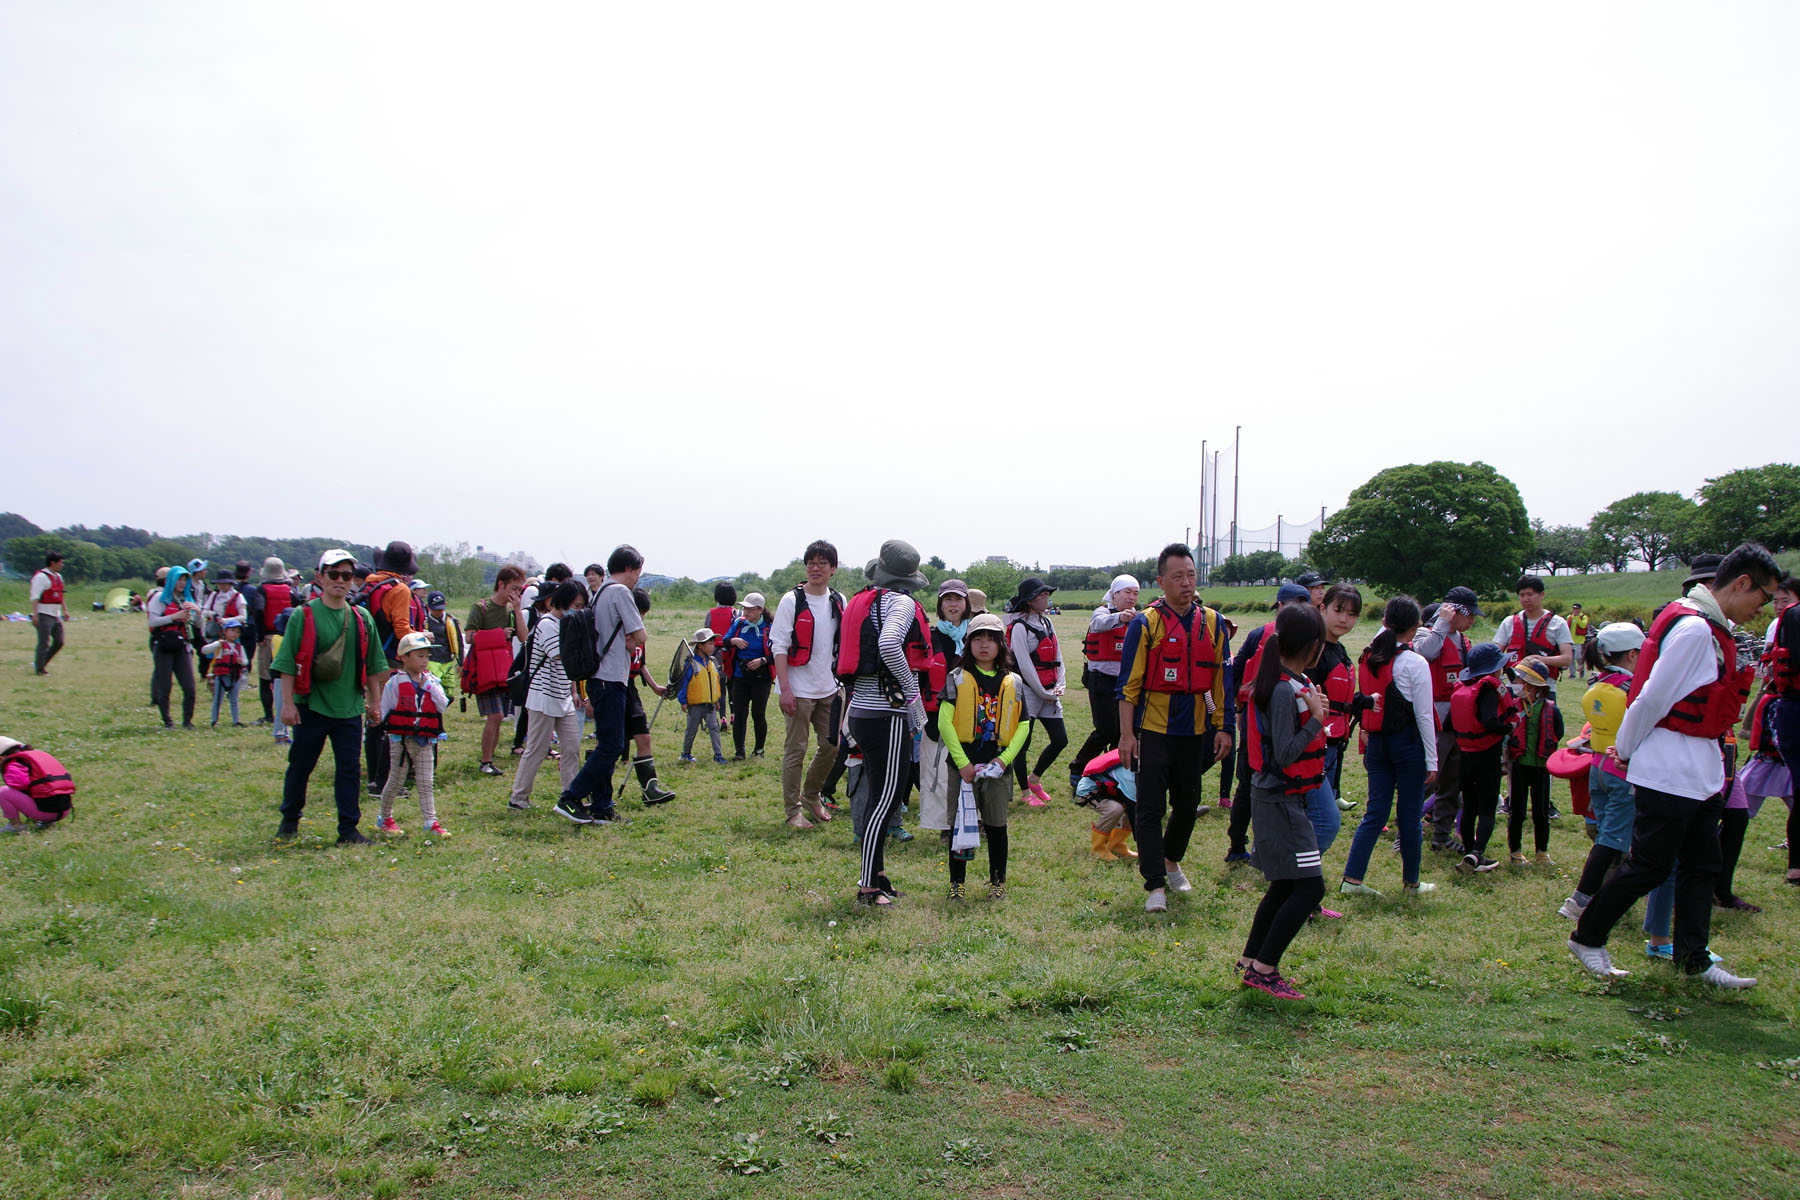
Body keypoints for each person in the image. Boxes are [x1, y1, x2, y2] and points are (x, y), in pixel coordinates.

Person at [1568, 542, 1777, 988]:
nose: (1761, 610)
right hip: (1669, 765)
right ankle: (1587, 937)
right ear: (1741, 584)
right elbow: (1652, 697)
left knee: (1704, 864)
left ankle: (1692, 958)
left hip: (1698, 768)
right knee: (1650, 864)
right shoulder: (1695, 630)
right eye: (1761, 598)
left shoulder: (1702, 623)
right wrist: (1623, 748)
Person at [1116, 543, 1234, 914]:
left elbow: (1221, 683)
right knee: (1150, 807)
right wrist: (1126, 735)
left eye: (1191, 575)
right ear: (1161, 581)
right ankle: (1155, 885)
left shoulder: (1214, 623)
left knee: (1186, 805)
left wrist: (1224, 726)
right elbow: (1128, 686)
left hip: (1196, 730)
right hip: (1152, 730)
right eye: (1178, 576)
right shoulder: (1145, 623)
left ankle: (1171, 861)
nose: (1186, 583)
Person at [1235, 603, 1331, 1000]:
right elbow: (1285, 755)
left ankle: (1250, 962)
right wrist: (1315, 719)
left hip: (1285, 798)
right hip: (1279, 800)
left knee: (1284, 885)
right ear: (1313, 646)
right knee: (1310, 890)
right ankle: (1264, 969)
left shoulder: (1294, 680)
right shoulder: (1279, 689)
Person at [271, 549, 391, 844]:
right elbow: (287, 663)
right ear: (320, 577)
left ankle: (348, 829)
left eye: (347, 575)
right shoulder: (303, 614)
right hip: (310, 705)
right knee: (301, 765)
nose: (340, 580)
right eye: (334, 574)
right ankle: (289, 820)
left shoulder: (361, 617)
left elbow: (375, 666)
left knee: (349, 770)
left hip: (349, 708)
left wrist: (375, 703)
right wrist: (287, 705)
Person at [840, 540, 934, 907]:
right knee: (886, 799)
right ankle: (867, 885)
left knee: (880, 795)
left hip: (862, 710)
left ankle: (878, 874)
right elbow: (890, 645)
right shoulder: (902, 602)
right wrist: (913, 698)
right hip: (887, 712)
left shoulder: (863, 600)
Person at [1339, 596, 1440, 897]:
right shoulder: (1414, 662)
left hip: (1376, 744)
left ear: (1384, 622)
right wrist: (1432, 761)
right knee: (1409, 816)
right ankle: (1411, 882)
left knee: (1375, 812)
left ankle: (1351, 879)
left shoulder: (1370, 656)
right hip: (1407, 746)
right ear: (1417, 626)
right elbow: (1424, 715)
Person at [937, 612, 1030, 900]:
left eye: (992, 639)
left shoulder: (1013, 681)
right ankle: (957, 884)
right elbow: (944, 722)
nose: (985, 645)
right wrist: (963, 763)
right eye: (978, 638)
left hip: (997, 767)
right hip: (961, 767)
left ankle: (997, 882)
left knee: (996, 826)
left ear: (1002, 645)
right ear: (968, 644)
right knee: (958, 827)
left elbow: (1023, 725)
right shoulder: (956, 678)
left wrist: (1004, 761)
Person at [1558, 623, 1647, 920]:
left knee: (1606, 836)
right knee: (1612, 839)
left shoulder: (1596, 684)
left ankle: (1602, 893)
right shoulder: (1631, 690)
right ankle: (1581, 900)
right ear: (1633, 654)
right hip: (1624, 771)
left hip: (1598, 766)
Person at [556, 545, 648, 826]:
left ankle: (602, 805)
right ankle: (571, 798)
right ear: (630, 569)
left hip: (600, 677)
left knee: (608, 742)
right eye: (638, 572)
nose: (637, 579)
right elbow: (639, 634)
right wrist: (634, 640)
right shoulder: (620, 592)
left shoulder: (601, 592)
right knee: (611, 744)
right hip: (610, 678)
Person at [1224, 583, 1313, 862]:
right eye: (1293, 603)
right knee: (1251, 782)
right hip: (1256, 721)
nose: (1299, 609)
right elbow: (1236, 672)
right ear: (1280, 606)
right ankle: (1238, 847)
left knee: (1279, 784)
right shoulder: (1258, 635)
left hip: (1289, 718)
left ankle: (1267, 850)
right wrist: (1239, 709)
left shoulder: (1306, 637)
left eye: (1304, 603)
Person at [771, 540, 845, 830]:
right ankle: (793, 811)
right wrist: (785, 689)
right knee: (795, 751)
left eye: (822, 564)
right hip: (798, 690)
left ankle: (812, 795)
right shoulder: (791, 601)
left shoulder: (839, 600)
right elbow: (778, 644)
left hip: (829, 687)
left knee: (831, 747)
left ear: (832, 569)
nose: (815, 568)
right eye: (811, 563)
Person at [1414, 586, 1482, 852]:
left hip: (1459, 721)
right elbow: (1425, 653)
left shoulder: (1464, 642)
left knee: (1453, 782)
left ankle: (1441, 836)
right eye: (1470, 615)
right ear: (1455, 611)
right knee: (1429, 778)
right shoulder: (1427, 633)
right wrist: (1442, 622)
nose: (1473, 621)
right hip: (1434, 720)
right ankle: (1406, 832)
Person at [510, 581, 585, 811]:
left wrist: (574, 691)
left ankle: (569, 795)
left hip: (563, 697)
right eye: (576, 605)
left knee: (571, 748)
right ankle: (518, 798)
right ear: (563, 602)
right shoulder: (547, 624)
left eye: (582, 606)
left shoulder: (566, 624)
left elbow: (568, 667)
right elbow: (559, 655)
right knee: (536, 749)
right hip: (542, 697)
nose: (579, 610)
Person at [374, 631, 452, 838]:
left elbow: (442, 705)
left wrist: (429, 687)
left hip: (425, 739)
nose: (425, 661)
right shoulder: (395, 683)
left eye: (427, 656)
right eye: (419, 656)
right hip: (401, 740)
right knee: (396, 780)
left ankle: (431, 821)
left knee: (426, 782)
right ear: (404, 658)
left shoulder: (431, 680)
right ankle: (385, 817)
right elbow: (386, 711)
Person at [1449, 642, 1517, 874]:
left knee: (1469, 807)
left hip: (1465, 756)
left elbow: (1451, 722)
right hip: (1487, 755)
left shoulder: (1462, 689)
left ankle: (1469, 850)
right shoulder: (1488, 689)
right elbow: (1489, 721)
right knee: (1487, 809)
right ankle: (1477, 854)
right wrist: (1507, 729)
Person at [1069, 574, 1138, 786]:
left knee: (1122, 731)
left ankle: (1113, 771)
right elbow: (1098, 625)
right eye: (1127, 592)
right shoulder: (1103, 612)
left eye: (1135, 593)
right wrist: (1120, 618)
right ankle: (1078, 767)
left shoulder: (1137, 616)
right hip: (1100, 680)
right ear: (1115, 594)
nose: (1131, 597)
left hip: (1124, 681)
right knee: (1105, 729)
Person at [1004, 577, 1066, 806]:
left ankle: (1034, 779)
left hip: (1049, 692)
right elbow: (1024, 664)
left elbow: (1058, 657)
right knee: (1022, 743)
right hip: (1028, 693)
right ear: (1029, 600)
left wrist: (1060, 684)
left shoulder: (1047, 623)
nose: (1045, 597)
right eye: (1040, 594)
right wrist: (1042, 692)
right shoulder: (1020, 627)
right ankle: (1024, 792)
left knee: (1060, 740)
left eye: (1046, 593)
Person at [916, 578, 970, 838]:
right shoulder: (931, 636)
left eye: (958, 599)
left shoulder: (977, 635)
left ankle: (972, 818)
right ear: (940, 604)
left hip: (970, 714)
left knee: (969, 767)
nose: (953, 604)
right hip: (936, 715)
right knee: (937, 771)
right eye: (948, 599)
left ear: (966, 603)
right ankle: (944, 825)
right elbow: (919, 675)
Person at [465, 566, 530, 777]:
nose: (516, 594)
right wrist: (497, 635)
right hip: (484, 671)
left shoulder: (512, 612)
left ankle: (489, 759)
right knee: (496, 715)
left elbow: (523, 637)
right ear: (500, 584)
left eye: (519, 590)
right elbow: (469, 636)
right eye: (513, 588)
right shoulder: (481, 607)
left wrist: (518, 610)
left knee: (499, 717)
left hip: (503, 670)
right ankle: (485, 761)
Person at [1506, 658, 1564, 865]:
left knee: (1541, 812)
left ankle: (1542, 851)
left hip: (1541, 767)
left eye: (1520, 681)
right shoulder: (1512, 707)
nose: (1516, 684)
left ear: (1532, 685)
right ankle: (1516, 852)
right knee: (1517, 811)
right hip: (1519, 765)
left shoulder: (1551, 709)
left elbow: (1559, 731)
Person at [622, 587, 676, 805]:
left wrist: (655, 687)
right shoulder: (616, 630)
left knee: (644, 737)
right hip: (614, 687)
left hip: (630, 689)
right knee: (611, 744)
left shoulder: (638, 632)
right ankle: (598, 792)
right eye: (638, 612)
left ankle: (650, 790)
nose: (641, 618)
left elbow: (640, 664)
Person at [147, 563, 203, 729]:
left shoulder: (188, 600)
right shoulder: (159, 598)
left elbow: (198, 626)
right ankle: (167, 721)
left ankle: (187, 721)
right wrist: (174, 616)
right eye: (179, 579)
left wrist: (198, 612)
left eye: (185, 579)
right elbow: (153, 621)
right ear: (171, 580)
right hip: (163, 645)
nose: (182, 582)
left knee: (189, 687)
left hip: (182, 646)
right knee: (165, 685)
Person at [1493, 575, 1574, 679]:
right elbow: (1496, 655)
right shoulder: (1509, 622)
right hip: (1514, 685)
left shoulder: (1558, 623)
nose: (1526, 599)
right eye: (1522, 595)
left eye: (1530, 594)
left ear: (1542, 595)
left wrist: (1541, 660)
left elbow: (1567, 658)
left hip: (1545, 686)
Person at [726, 593, 776, 760]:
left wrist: (762, 661)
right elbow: (724, 641)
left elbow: (780, 652)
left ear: (760, 610)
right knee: (740, 714)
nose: (745, 612)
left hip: (762, 678)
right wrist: (734, 641)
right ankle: (739, 752)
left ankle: (759, 750)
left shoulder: (771, 627)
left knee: (758, 713)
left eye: (749, 609)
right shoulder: (739, 623)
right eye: (744, 608)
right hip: (740, 676)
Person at [0, 735, 75, 833]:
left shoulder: (13, 764)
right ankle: (48, 822)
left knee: (3, 791)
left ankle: (15, 825)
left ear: (1, 758)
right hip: (64, 808)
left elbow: (20, 785)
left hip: (45, 811)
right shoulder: (34, 758)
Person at [250, 558, 292, 726]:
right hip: (288, 637)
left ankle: (268, 714)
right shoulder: (290, 590)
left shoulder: (262, 590)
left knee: (265, 677)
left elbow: (259, 610)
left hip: (268, 637)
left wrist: (259, 636)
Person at [677, 629, 728, 764]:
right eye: (709, 643)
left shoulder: (712, 662)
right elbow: (684, 684)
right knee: (691, 730)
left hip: (710, 704)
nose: (713, 646)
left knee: (714, 729)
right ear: (700, 645)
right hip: (695, 705)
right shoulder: (690, 664)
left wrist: (717, 699)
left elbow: (715, 682)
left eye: (713, 643)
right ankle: (686, 753)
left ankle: (718, 755)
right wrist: (683, 701)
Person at [203, 619, 251, 727]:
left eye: (238, 631)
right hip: (221, 677)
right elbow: (204, 650)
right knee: (217, 700)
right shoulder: (220, 645)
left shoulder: (239, 647)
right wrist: (216, 644)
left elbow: (246, 660)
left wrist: (241, 662)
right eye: (232, 630)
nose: (235, 634)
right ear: (225, 631)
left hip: (235, 677)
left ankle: (236, 721)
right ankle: (214, 720)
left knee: (234, 700)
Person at [29, 553, 69, 675]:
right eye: (60, 562)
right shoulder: (41, 577)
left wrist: (65, 610)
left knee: (59, 641)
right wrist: (35, 615)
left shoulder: (58, 577)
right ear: (53, 563)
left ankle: (40, 662)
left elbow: (60, 595)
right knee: (44, 642)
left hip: (55, 614)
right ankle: (40, 669)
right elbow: (35, 597)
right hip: (44, 613)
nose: (62, 565)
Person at [422, 591, 463, 702]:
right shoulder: (424, 622)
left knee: (449, 696)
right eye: (435, 609)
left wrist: (461, 663)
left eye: (440, 609)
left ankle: (437, 713)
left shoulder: (451, 621)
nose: (438, 612)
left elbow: (459, 642)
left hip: (448, 661)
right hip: (432, 661)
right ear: (428, 607)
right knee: (432, 693)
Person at [1569, 604, 1590, 673]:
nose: (1575, 610)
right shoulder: (1569, 617)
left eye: (1577, 609)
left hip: (1579, 641)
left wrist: (1577, 618)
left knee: (1578, 657)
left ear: (1580, 609)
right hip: (1570, 640)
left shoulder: (1583, 617)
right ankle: (1572, 673)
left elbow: (1583, 625)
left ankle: (1581, 668)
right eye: (1574, 608)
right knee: (1571, 658)